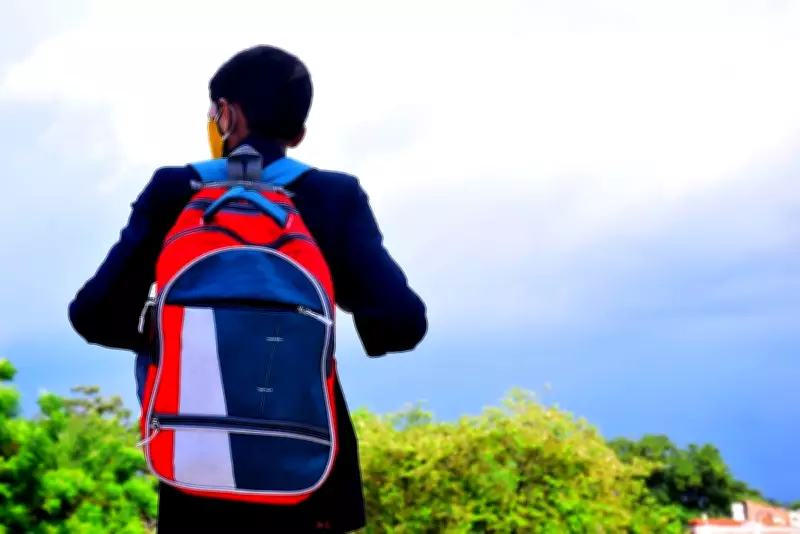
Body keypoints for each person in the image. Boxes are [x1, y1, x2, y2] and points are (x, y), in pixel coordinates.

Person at [68, 44, 428, 533]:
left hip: (195, 462)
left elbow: (93, 315)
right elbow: (401, 325)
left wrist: (168, 333)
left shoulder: (175, 190)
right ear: (298, 133)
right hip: (309, 471)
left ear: (226, 114)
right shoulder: (332, 197)